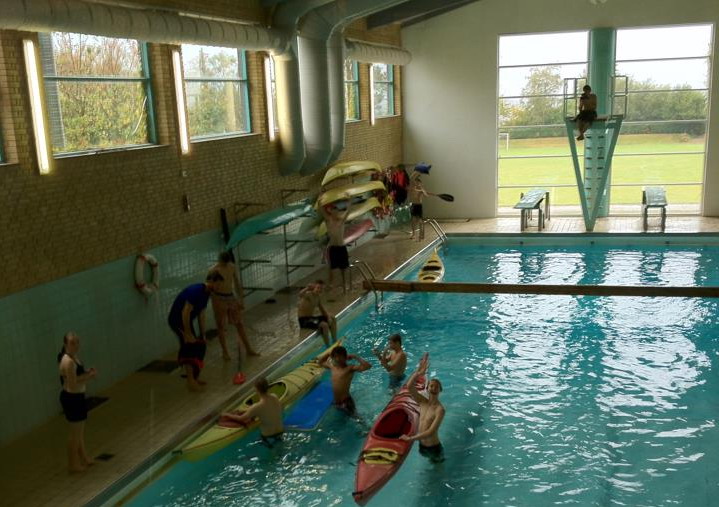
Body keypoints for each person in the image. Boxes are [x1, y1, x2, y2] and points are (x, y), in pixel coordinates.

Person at [167, 271, 223, 391]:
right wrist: (187, 333)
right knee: (189, 346)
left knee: (201, 346)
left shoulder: (207, 293)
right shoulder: (195, 291)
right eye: (218, 284)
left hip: (185, 321)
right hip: (177, 320)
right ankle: (190, 381)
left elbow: (201, 314)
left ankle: (194, 377)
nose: (219, 288)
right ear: (211, 281)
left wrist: (203, 334)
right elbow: (185, 313)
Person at [58, 332, 97, 473]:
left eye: (77, 342)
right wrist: (89, 376)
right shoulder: (68, 361)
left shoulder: (73, 357)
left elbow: (75, 375)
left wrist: (86, 372)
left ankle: (83, 458)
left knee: (79, 433)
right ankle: (72, 465)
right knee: (75, 435)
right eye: (72, 343)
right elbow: (72, 384)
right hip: (72, 399)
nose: (76, 346)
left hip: (76, 398)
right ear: (65, 345)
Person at [209, 251, 259, 361]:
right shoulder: (214, 271)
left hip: (230, 297)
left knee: (239, 323)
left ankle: (248, 349)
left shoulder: (231, 267)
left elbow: (236, 282)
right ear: (220, 261)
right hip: (218, 298)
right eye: (223, 263)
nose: (225, 265)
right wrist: (215, 303)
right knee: (221, 326)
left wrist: (240, 299)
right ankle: (225, 352)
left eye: (226, 263)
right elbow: (210, 289)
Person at [400, 353, 445, 463]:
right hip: (422, 446)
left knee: (438, 466)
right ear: (427, 388)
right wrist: (418, 373)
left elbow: (431, 431)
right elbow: (409, 386)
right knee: (430, 463)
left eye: (436, 386)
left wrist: (410, 438)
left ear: (440, 390)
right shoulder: (422, 402)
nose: (433, 388)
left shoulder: (440, 410)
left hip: (434, 447)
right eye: (431, 386)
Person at [221, 376, 284, 447]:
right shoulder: (274, 397)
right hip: (280, 431)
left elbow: (241, 418)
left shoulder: (257, 406)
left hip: (267, 436)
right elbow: (279, 408)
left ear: (256, 389)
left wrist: (227, 414)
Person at [320, 345, 371, 417]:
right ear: (333, 357)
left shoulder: (350, 368)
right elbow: (320, 362)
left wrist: (355, 357)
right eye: (336, 357)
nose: (338, 359)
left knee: (357, 419)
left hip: (346, 402)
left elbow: (367, 366)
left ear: (345, 357)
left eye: (340, 357)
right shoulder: (332, 367)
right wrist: (329, 353)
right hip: (336, 402)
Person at [320, 201, 352, 293]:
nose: (337, 213)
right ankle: (330, 285)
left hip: (341, 247)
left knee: (344, 268)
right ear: (331, 212)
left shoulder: (341, 221)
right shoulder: (329, 221)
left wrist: (349, 201)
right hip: (333, 248)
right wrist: (321, 201)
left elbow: (348, 211)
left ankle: (344, 285)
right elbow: (322, 211)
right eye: (335, 211)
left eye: (337, 211)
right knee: (332, 268)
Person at [297, 280, 338, 346]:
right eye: (318, 288)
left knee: (333, 318)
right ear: (314, 287)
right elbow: (300, 294)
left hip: (310, 318)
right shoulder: (309, 294)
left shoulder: (317, 298)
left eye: (321, 289)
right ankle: (328, 346)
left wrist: (328, 317)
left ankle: (334, 340)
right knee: (324, 325)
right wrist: (307, 288)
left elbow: (322, 310)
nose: (319, 290)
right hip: (303, 320)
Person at [408, 171, 428, 241]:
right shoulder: (413, 189)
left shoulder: (421, 190)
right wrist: (416, 173)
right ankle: (413, 234)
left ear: (420, 183)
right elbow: (411, 179)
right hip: (413, 205)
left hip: (419, 206)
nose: (417, 184)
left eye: (418, 183)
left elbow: (426, 196)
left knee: (420, 221)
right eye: (416, 182)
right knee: (413, 221)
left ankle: (421, 235)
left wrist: (422, 191)